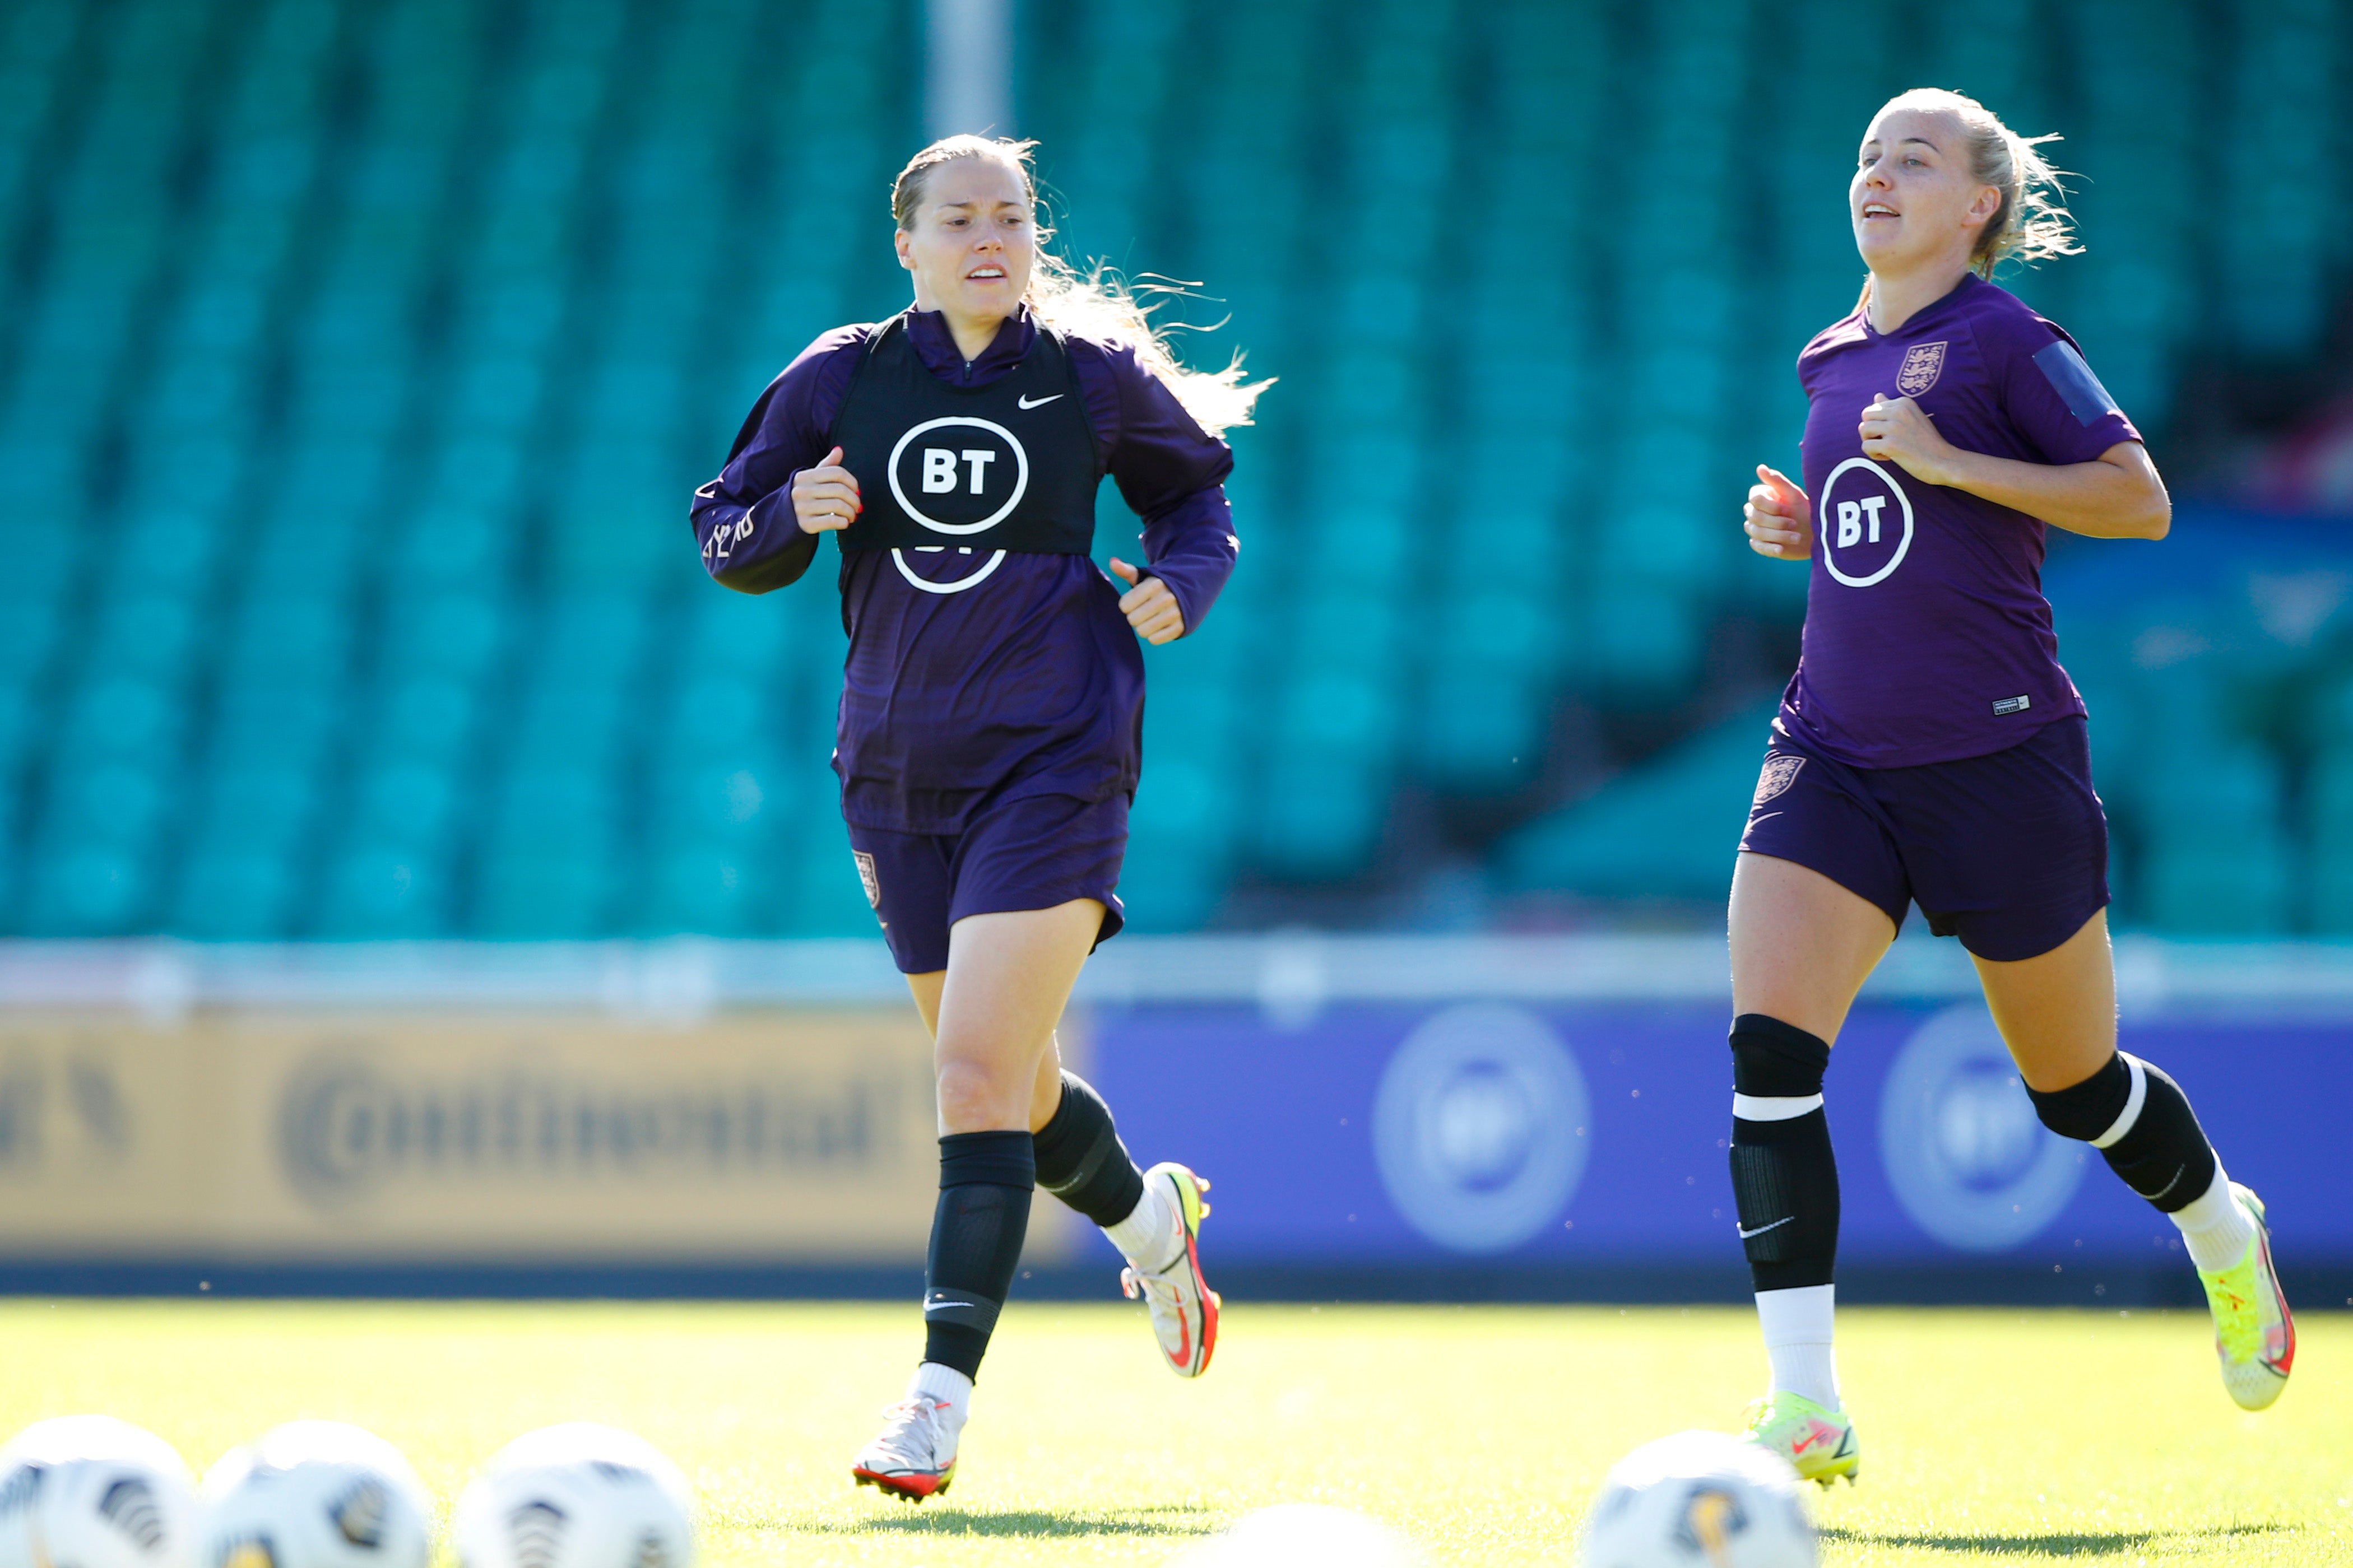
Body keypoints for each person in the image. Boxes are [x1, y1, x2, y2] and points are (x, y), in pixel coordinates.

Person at [1730, 88, 2293, 1485]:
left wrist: (1948, 460)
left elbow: (2139, 497)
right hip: (1836, 751)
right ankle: (1807, 1403)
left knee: (2076, 1088)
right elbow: (1900, 533)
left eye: (1914, 158)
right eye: (1867, 153)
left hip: (1999, 760)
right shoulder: (1827, 358)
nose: (1877, 174)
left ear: (1980, 203)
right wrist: (1810, 529)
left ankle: (2222, 1225)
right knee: (1768, 1059)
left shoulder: (2010, 342)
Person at [689, 134, 1264, 1502]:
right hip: (894, 774)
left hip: (1058, 759)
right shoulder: (842, 374)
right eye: (960, 219)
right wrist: (792, 507)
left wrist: (1184, 582)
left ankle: (935, 1401)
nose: (989, 238)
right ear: (909, 242)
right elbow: (721, 526)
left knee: (967, 1082)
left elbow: (1200, 496)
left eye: (1010, 217)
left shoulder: (1087, 371)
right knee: (1010, 1076)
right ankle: (1151, 1217)